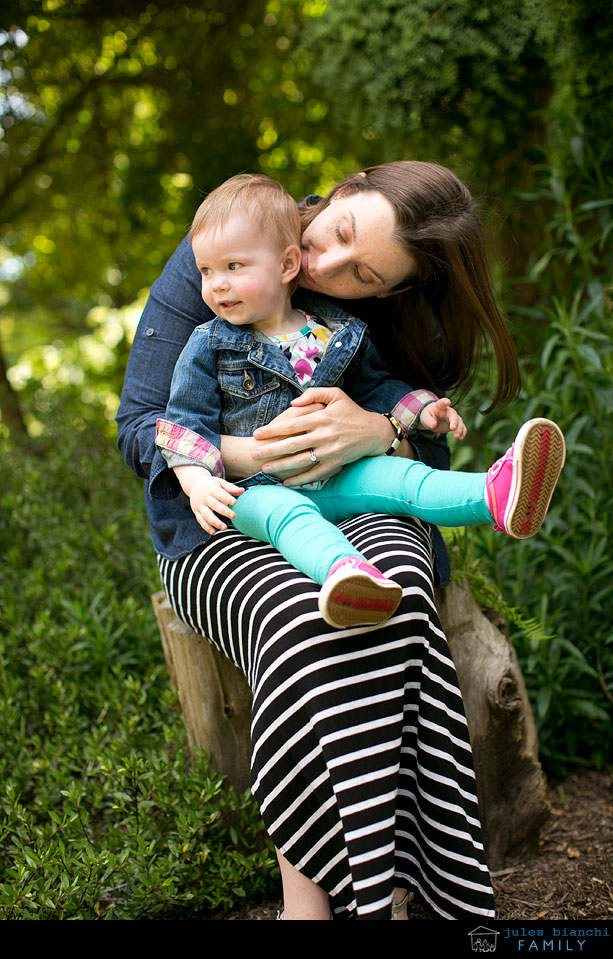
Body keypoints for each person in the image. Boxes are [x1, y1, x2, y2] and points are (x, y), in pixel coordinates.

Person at [116, 160, 529, 920]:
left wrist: (382, 425)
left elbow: (411, 431)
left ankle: (421, 886)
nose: (325, 262)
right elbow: (143, 424)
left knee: (398, 584)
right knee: (305, 619)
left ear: (391, 290)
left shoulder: (352, 326)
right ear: (343, 188)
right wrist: (248, 456)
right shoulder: (224, 252)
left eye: (361, 270)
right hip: (227, 515)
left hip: (354, 490)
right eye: (335, 232)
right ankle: (310, 900)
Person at [152, 174, 565, 631]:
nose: (216, 286)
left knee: (403, 478)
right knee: (287, 518)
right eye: (207, 272)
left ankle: (494, 495)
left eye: (234, 269)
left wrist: (418, 409)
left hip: (339, 473)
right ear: (343, 192)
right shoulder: (209, 344)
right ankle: (345, 573)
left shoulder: (340, 330)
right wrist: (197, 481)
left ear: (286, 264)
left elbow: (376, 387)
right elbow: (182, 422)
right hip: (256, 491)